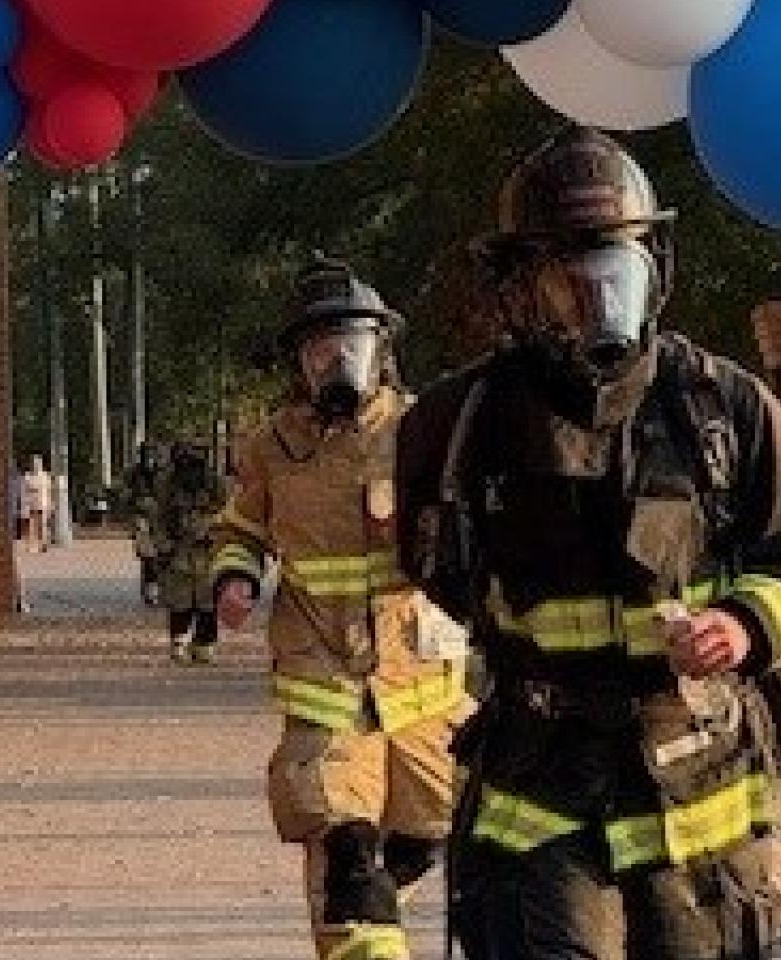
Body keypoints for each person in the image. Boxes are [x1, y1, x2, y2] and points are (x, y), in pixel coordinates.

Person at [397, 126, 781, 960]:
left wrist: (746, 627)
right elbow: (434, 565)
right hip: (540, 788)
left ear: (655, 270)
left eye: (616, 274)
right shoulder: (462, 423)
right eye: (572, 283)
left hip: (695, 795)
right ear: (521, 290)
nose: (599, 305)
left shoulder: (721, 407)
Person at [210, 254, 459, 960]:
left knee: (433, 830)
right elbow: (241, 528)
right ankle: (360, 919)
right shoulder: (272, 447)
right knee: (340, 836)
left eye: (350, 345)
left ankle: (380, 888)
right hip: (322, 673)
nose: (336, 363)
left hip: (423, 681)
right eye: (321, 351)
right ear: (300, 363)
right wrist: (237, 579)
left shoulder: (422, 432)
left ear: (381, 350)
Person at [152, 442, 225, 664]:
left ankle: (204, 645)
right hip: (179, 552)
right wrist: (163, 545)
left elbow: (226, 512)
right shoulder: (167, 484)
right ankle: (179, 644)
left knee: (208, 603)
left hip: (208, 551)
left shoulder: (215, 483)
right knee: (180, 603)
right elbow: (159, 517)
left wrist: (213, 532)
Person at [124, 441, 165, 606]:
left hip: (160, 519)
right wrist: (134, 521)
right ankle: (150, 590)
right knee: (148, 557)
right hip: (142, 518)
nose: (150, 458)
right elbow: (128, 497)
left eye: (152, 454)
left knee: (160, 556)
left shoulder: (161, 473)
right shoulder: (134, 474)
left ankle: (157, 589)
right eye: (146, 454)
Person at [19, 454, 53, 553]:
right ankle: (31, 546)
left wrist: (50, 503)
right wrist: (24, 505)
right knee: (31, 526)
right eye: (34, 463)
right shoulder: (27, 476)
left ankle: (44, 544)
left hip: (43, 502)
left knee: (43, 525)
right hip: (31, 504)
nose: (36, 465)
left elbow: (49, 490)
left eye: (38, 463)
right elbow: (23, 491)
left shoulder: (45, 476)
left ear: (41, 464)